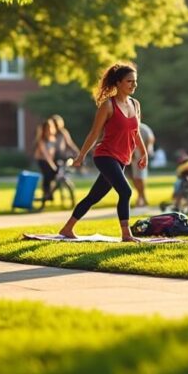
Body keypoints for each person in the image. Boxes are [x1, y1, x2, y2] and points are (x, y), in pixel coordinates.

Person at [59, 62, 149, 242]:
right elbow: (94, 133)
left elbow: (135, 131)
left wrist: (143, 152)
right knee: (126, 191)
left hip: (123, 157)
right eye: (129, 81)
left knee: (94, 196)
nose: (134, 85)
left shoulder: (135, 104)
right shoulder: (108, 106)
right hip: (105, 155)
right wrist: (81, 155)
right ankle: (126, 234)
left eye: (135, 81)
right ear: (118, 83)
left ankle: (67, 228)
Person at [128, 121, 156, 207]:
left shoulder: (143, 128)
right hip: (132, 156)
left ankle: (142, 198)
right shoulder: (130, 126)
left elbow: (151, 139)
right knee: (135, 178)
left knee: (139, 177)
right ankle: (141, 197)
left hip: (139, 156)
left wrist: (145, 153)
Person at [33, 119, 59, 203]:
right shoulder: (41, 140)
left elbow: (53, 153)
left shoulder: (53, 139)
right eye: (47, 128)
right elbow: (45, 154)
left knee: (57, 175)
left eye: (51, 127)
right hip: (42, 160)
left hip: (50, 160)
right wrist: (52, 165)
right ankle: (46, 193)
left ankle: (50, 192)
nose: (49, 130)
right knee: (47, 175)